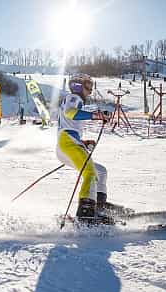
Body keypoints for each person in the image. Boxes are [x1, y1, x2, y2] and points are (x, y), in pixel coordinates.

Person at [56, 74, 123, 224]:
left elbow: (69, 123)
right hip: (68, 143)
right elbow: (70, 113)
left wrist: (83, 142)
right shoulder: (74, 97)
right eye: (88, 87)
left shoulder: (73, 99)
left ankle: (99, 206)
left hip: (70, 142)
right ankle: (85, 213)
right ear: (79, 86)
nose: (90, 91)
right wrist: (97, 115)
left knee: (100, 171)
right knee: (90, 173)